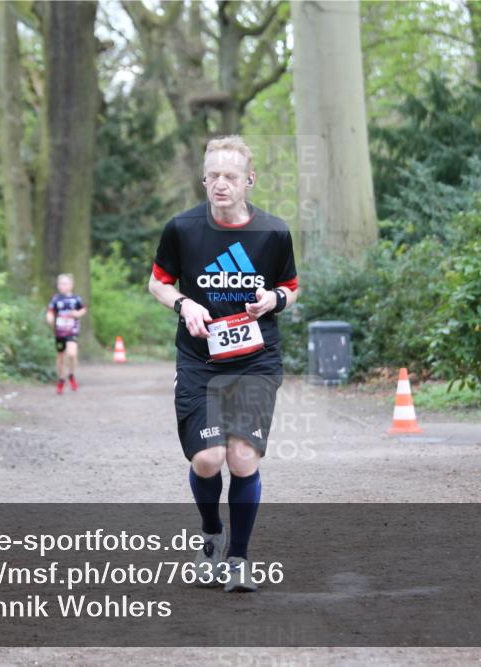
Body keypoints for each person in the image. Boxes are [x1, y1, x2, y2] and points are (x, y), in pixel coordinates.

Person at [148, 135, 299, 592]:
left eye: (230, 176)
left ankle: (238, 558)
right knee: (210, 459)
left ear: (248, 181)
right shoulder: (182, 228)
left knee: (242, 456)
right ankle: (212, 531)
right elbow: (157, 283)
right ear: (204, 179)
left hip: (255, 361)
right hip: (200, 362)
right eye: (212, 175)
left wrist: (272, 299)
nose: (220, 184)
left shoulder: (272, 232)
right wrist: (184, 305)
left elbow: (291, 287)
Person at [46, 273, 87, 394]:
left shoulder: (76, 299)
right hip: (59, 333)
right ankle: (61, 379)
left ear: (71, 285)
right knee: (60, 358)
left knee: (72, 354)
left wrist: (77, 314)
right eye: (60, 283)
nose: (62, 286)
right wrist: (49, 318)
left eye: (65, 283)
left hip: (72, 331)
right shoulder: (56, 299)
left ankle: (71, 374)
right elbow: (50, 311)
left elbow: (83, 310)